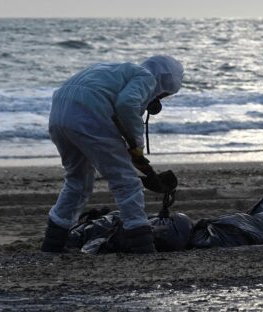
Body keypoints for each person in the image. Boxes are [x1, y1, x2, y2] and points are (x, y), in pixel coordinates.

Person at [41, 55, 184, 253]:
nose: (159, 99)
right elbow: (127, 104)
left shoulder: (117, 70)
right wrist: (137, 144)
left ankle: (52, 244)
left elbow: (112, 101)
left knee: (77, 181)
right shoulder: (147, 77)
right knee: (126, 182)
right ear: (164, 82)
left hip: (59, 115)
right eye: (164, 94)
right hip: (88, 115)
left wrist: (132, 148)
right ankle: (141, 244)